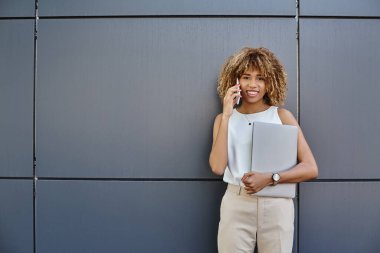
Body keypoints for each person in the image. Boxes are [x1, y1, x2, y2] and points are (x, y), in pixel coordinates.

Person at [209, 47, 318, 253]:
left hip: (277, 205)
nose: (253, 84)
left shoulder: (283, 117)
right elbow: (216, 166)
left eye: (261, 78)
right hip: (236, 204)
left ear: (271, 83)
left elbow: (311, 168)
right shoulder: (223, 120)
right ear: (235, 80)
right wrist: (226, 115)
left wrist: (270, 178)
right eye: (246, 77)